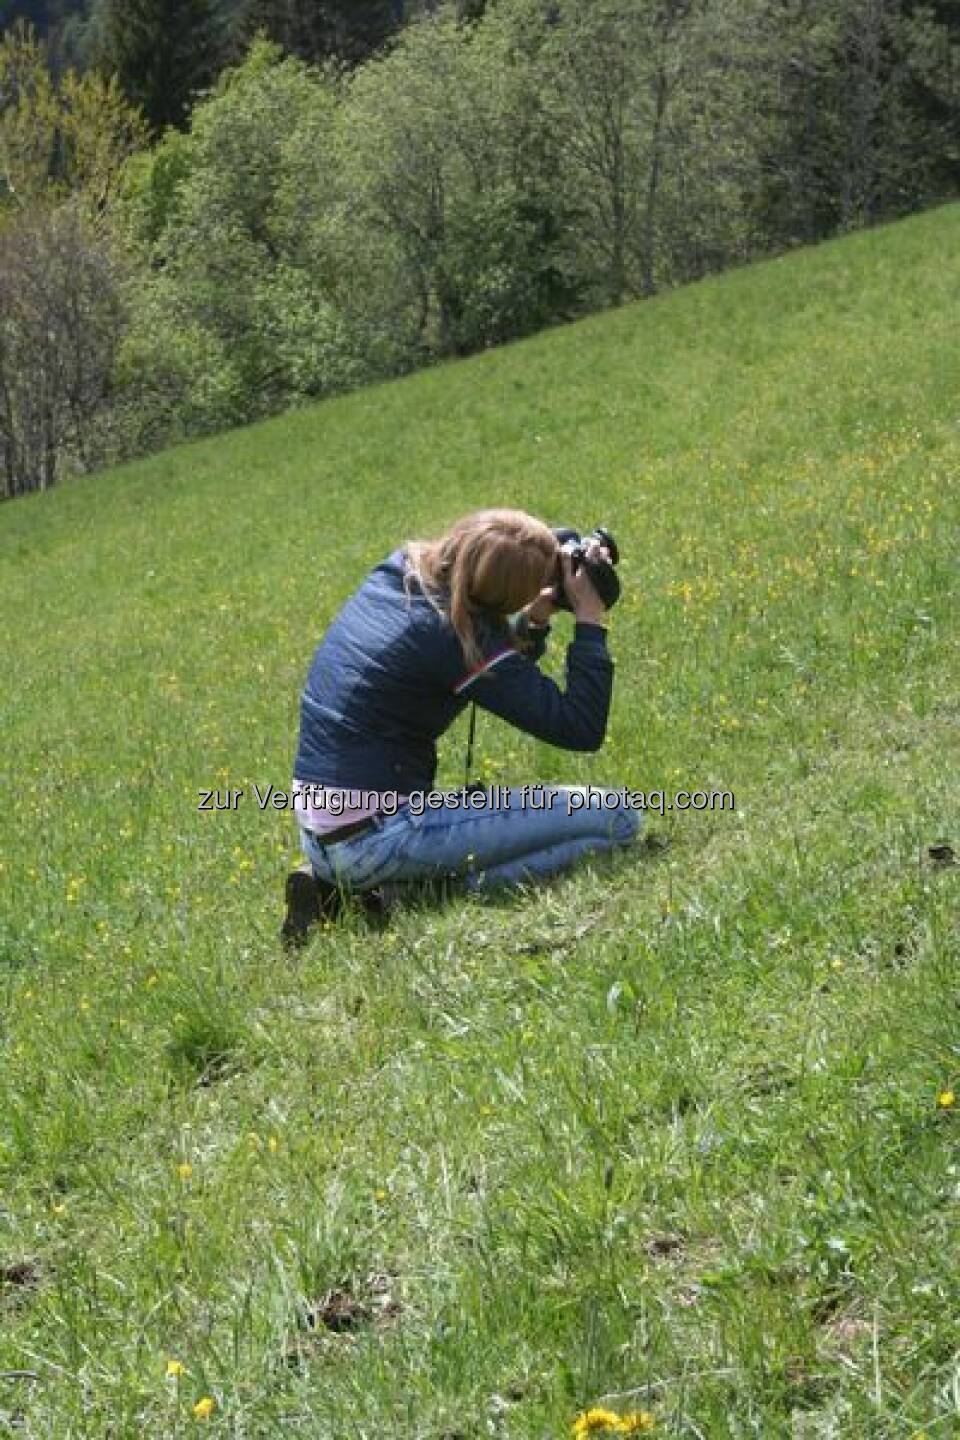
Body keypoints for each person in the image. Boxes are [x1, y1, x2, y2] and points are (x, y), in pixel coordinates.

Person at [281, 508, 641, 946]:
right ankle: (408, 895)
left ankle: (346, 885)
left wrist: (535, 616)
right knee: (618, 819)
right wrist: (588, 619)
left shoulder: (399, 572)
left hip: (326, 833)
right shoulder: (454, 636)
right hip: (375, 837)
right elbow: (579, 727)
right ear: (499, 597)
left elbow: (496, 671)